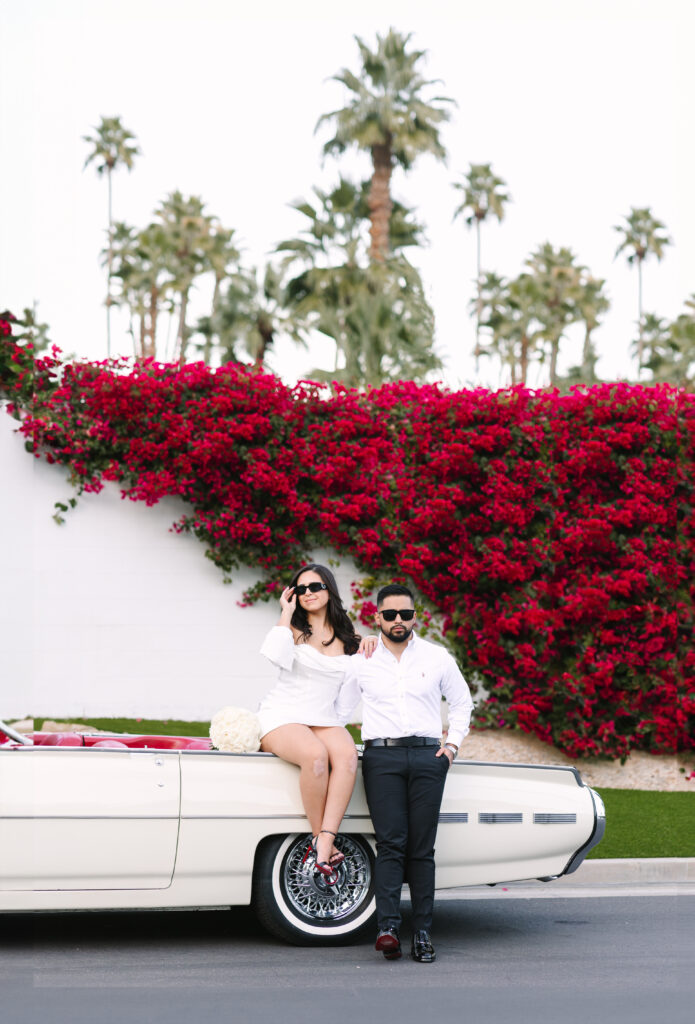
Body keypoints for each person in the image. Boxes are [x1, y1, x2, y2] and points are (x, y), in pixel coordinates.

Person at [337, 583, 474, 963]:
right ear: (377, 617)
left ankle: (425, 933)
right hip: (382, 760)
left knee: (421, 849)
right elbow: (339, 712)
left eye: (406, 614)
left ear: (416, 617)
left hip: (429, 758)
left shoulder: (437, 657)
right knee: (391, 844)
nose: (399, 621)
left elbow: (462, 703)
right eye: (391, 614)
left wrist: (451, 748)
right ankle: (388, 929)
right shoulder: (360, 660)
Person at [258, 563, 376, 880]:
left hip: (322, 717)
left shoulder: (349, 639)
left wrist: (370, 644)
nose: (308, 593)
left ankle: (327, 836)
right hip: (283, 715)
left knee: (349, 756)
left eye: (315, 587)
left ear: (329, 591)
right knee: (315, 756)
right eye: (301, 588)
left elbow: (357, 685)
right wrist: (285, 611)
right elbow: (272, 653)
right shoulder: (292, 630)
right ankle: (317, 838)